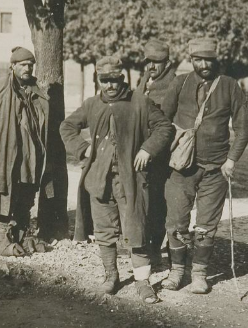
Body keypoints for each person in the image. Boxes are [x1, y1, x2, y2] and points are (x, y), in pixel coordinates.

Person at [61, 56, 173, 302]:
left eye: (114, 80)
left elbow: (165, 127)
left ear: (122, 79)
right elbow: (67, 127)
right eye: (105, 80)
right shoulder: (92, 105)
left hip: (131, 180)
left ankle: (142, 282)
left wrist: (147, 149)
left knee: (136, 228)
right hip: (99, 180)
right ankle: (111, 275)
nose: (110, 85)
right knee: (104, 230)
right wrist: (83, 149)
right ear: (98, 80)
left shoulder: (139, 102)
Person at [156, 38, 248, 294]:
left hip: (216, 170)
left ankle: (199, 275)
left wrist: (231, 159)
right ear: (191, 60)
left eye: (209, 60)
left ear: (216, 59)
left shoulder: (229, 86)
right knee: (176, 221)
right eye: (198, 60)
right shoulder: (180, 83)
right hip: (180, 168)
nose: (204, 65)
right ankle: (176, 272)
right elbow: (161, 121)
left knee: (206, 225)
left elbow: (245, 126)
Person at [0, 47, 57, 256]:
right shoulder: (1, 88)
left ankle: (22, 234)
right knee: (6, 193)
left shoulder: (34, 89)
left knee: (27, 191)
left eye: (30, 65)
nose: (27, 68)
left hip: (30, 152)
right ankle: (1, 240)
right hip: (7, 151)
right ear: (12, 65)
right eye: (23, 65)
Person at [132, 40, 180, 260]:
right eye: (148, 61)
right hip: (143, 151)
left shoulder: (172, 84)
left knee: (158, 203)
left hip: (161, 154)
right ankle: (145, 246)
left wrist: (151, 147)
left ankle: (155, 250)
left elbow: (166, 123)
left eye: (157, 62)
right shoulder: (145, 81)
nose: (151, 66)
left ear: (167, 63)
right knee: (144, 200)